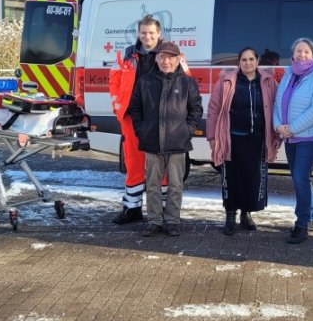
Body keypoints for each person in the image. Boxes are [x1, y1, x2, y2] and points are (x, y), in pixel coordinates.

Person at [128, 42, 203, 237]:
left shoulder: (187, 83)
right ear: (156, 59)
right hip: (152, 143)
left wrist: (187, 130)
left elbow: (196, 109)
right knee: (152, 185)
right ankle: (154, 221)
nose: (166, 61)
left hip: (177, 143)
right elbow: (134, 108)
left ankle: (172, 221)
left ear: (178, 60)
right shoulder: (144, 81)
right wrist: (142, 129)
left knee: (176, 185)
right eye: (162, 56)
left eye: (171, 57)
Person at [206, 47, 280, 235]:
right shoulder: (227, 80)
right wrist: (212, 137)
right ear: (239, 62)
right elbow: (214, 108)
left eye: (251, 59)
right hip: (231, 139)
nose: (248, 63)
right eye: (244, 60)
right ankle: (230, 215)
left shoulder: (268, 81)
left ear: (257, 61)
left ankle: (246, 214)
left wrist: (276, 135)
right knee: (231, 179)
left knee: (251, 180)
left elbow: (277, 108)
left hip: (257, 140)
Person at [273, 37, 313, 244]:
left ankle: (302, 224)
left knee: (299, 177)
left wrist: (291, 129)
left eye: (306, 51)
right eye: (298, 51)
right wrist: (278, 126)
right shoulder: (289, 74)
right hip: (290, 135)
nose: (302, 55)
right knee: (301, 178)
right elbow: (277, 102)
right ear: (293, 54)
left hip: (311, 136)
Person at [107, 15, 161, 225]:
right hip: (132, 115)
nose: (147, 36)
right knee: (133, 161)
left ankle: (162, 210)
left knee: (160, 163)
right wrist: (117, 106)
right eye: (144, 32)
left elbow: (185, 82)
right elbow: (114, 81)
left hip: (159, 117)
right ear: (139, 33)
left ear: (159, 34)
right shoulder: (126, 55)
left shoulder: (170, 54)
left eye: (151, 33)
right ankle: (132, 208)